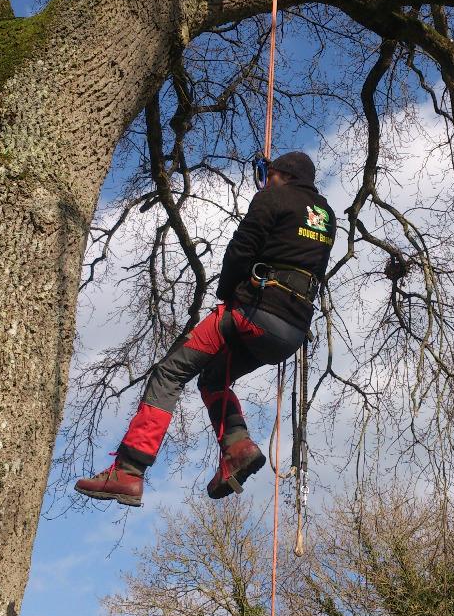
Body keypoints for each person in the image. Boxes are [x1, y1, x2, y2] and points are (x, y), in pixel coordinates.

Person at [75, 151, 336, 504]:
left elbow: (242, 250)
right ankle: (237, 447)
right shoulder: (325, 216)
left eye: (268, 174)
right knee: (213, 379)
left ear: (281, 175)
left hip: (252, 311)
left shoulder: (273, 196)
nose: (264, 181)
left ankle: (128, 471)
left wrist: (229, 291)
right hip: (291, 331)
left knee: (169, 373)